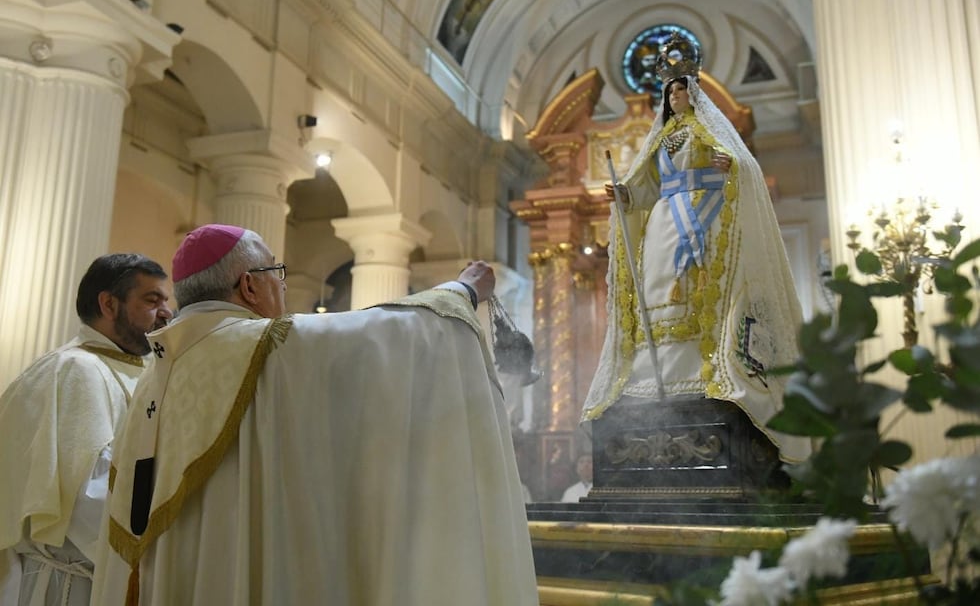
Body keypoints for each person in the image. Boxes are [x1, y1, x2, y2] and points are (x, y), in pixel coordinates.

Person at [92, 224, 538, 606]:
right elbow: (398, 335)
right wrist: (462, 291)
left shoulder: (154, 374)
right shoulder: (270, 348)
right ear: (249, 285)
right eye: (275, 272)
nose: (282, 285)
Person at [582, 33, 811, 464]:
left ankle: (698, 370)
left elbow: (744, 167)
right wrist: (626, 195)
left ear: (694, 92)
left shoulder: (709, 130)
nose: (675, 95)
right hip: (666, 221)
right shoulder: (660, 138)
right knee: (657, 288)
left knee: (695, 290)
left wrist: (732, 167)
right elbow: (647, 187)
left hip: (701, 217)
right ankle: (654, 374)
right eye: (669, 91)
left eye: (681, 88)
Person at [0, 254, 172, 606]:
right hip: (72, 584)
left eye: (166, 301)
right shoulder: (75, 370)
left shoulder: (140, 370)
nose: (167, 312)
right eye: (152, 300)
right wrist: (163, 555)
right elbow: (86, 499)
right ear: (109, 304)